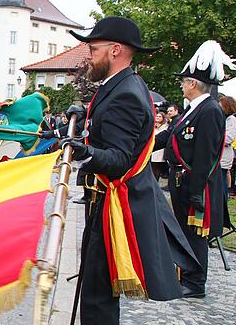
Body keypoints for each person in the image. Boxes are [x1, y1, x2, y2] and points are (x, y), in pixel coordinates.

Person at [61, 17, 198, 324]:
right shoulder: (121, 86)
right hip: (103, 203)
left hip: (110, 206)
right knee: (95, 289)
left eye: (94, 49)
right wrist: (84, 113)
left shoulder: (125, 94)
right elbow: (110, 129)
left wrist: (85, 151)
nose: (89, 56)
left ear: (115, 50)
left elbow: (119, 159)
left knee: (97, 294)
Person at [155, 40, 233, 298]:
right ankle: (185, 274)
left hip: (195, 183)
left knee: (195, 234)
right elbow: (170, 137)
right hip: (181, 180)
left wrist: (198, 189)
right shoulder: (192, 110)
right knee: (185, 232)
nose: (181, 85)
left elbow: (207, 155)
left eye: (183, 81)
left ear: (193, 84)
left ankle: (195, 282)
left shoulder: (209, 110)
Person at [219, 96, 236, 218]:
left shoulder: (231, 120)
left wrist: (214, 137)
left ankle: (222, 208)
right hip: (217, 155)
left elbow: (229, 138)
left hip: (224, 156)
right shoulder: (221, 118)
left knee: (222, 180)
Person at [150, 111, 169, 182]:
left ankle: (156, 180)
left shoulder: (165, 127)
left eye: (159, 117)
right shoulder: (154, 126)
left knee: (157, 167)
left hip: (160, 150)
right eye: (157, 116)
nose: (157, 118)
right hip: (152, 149)